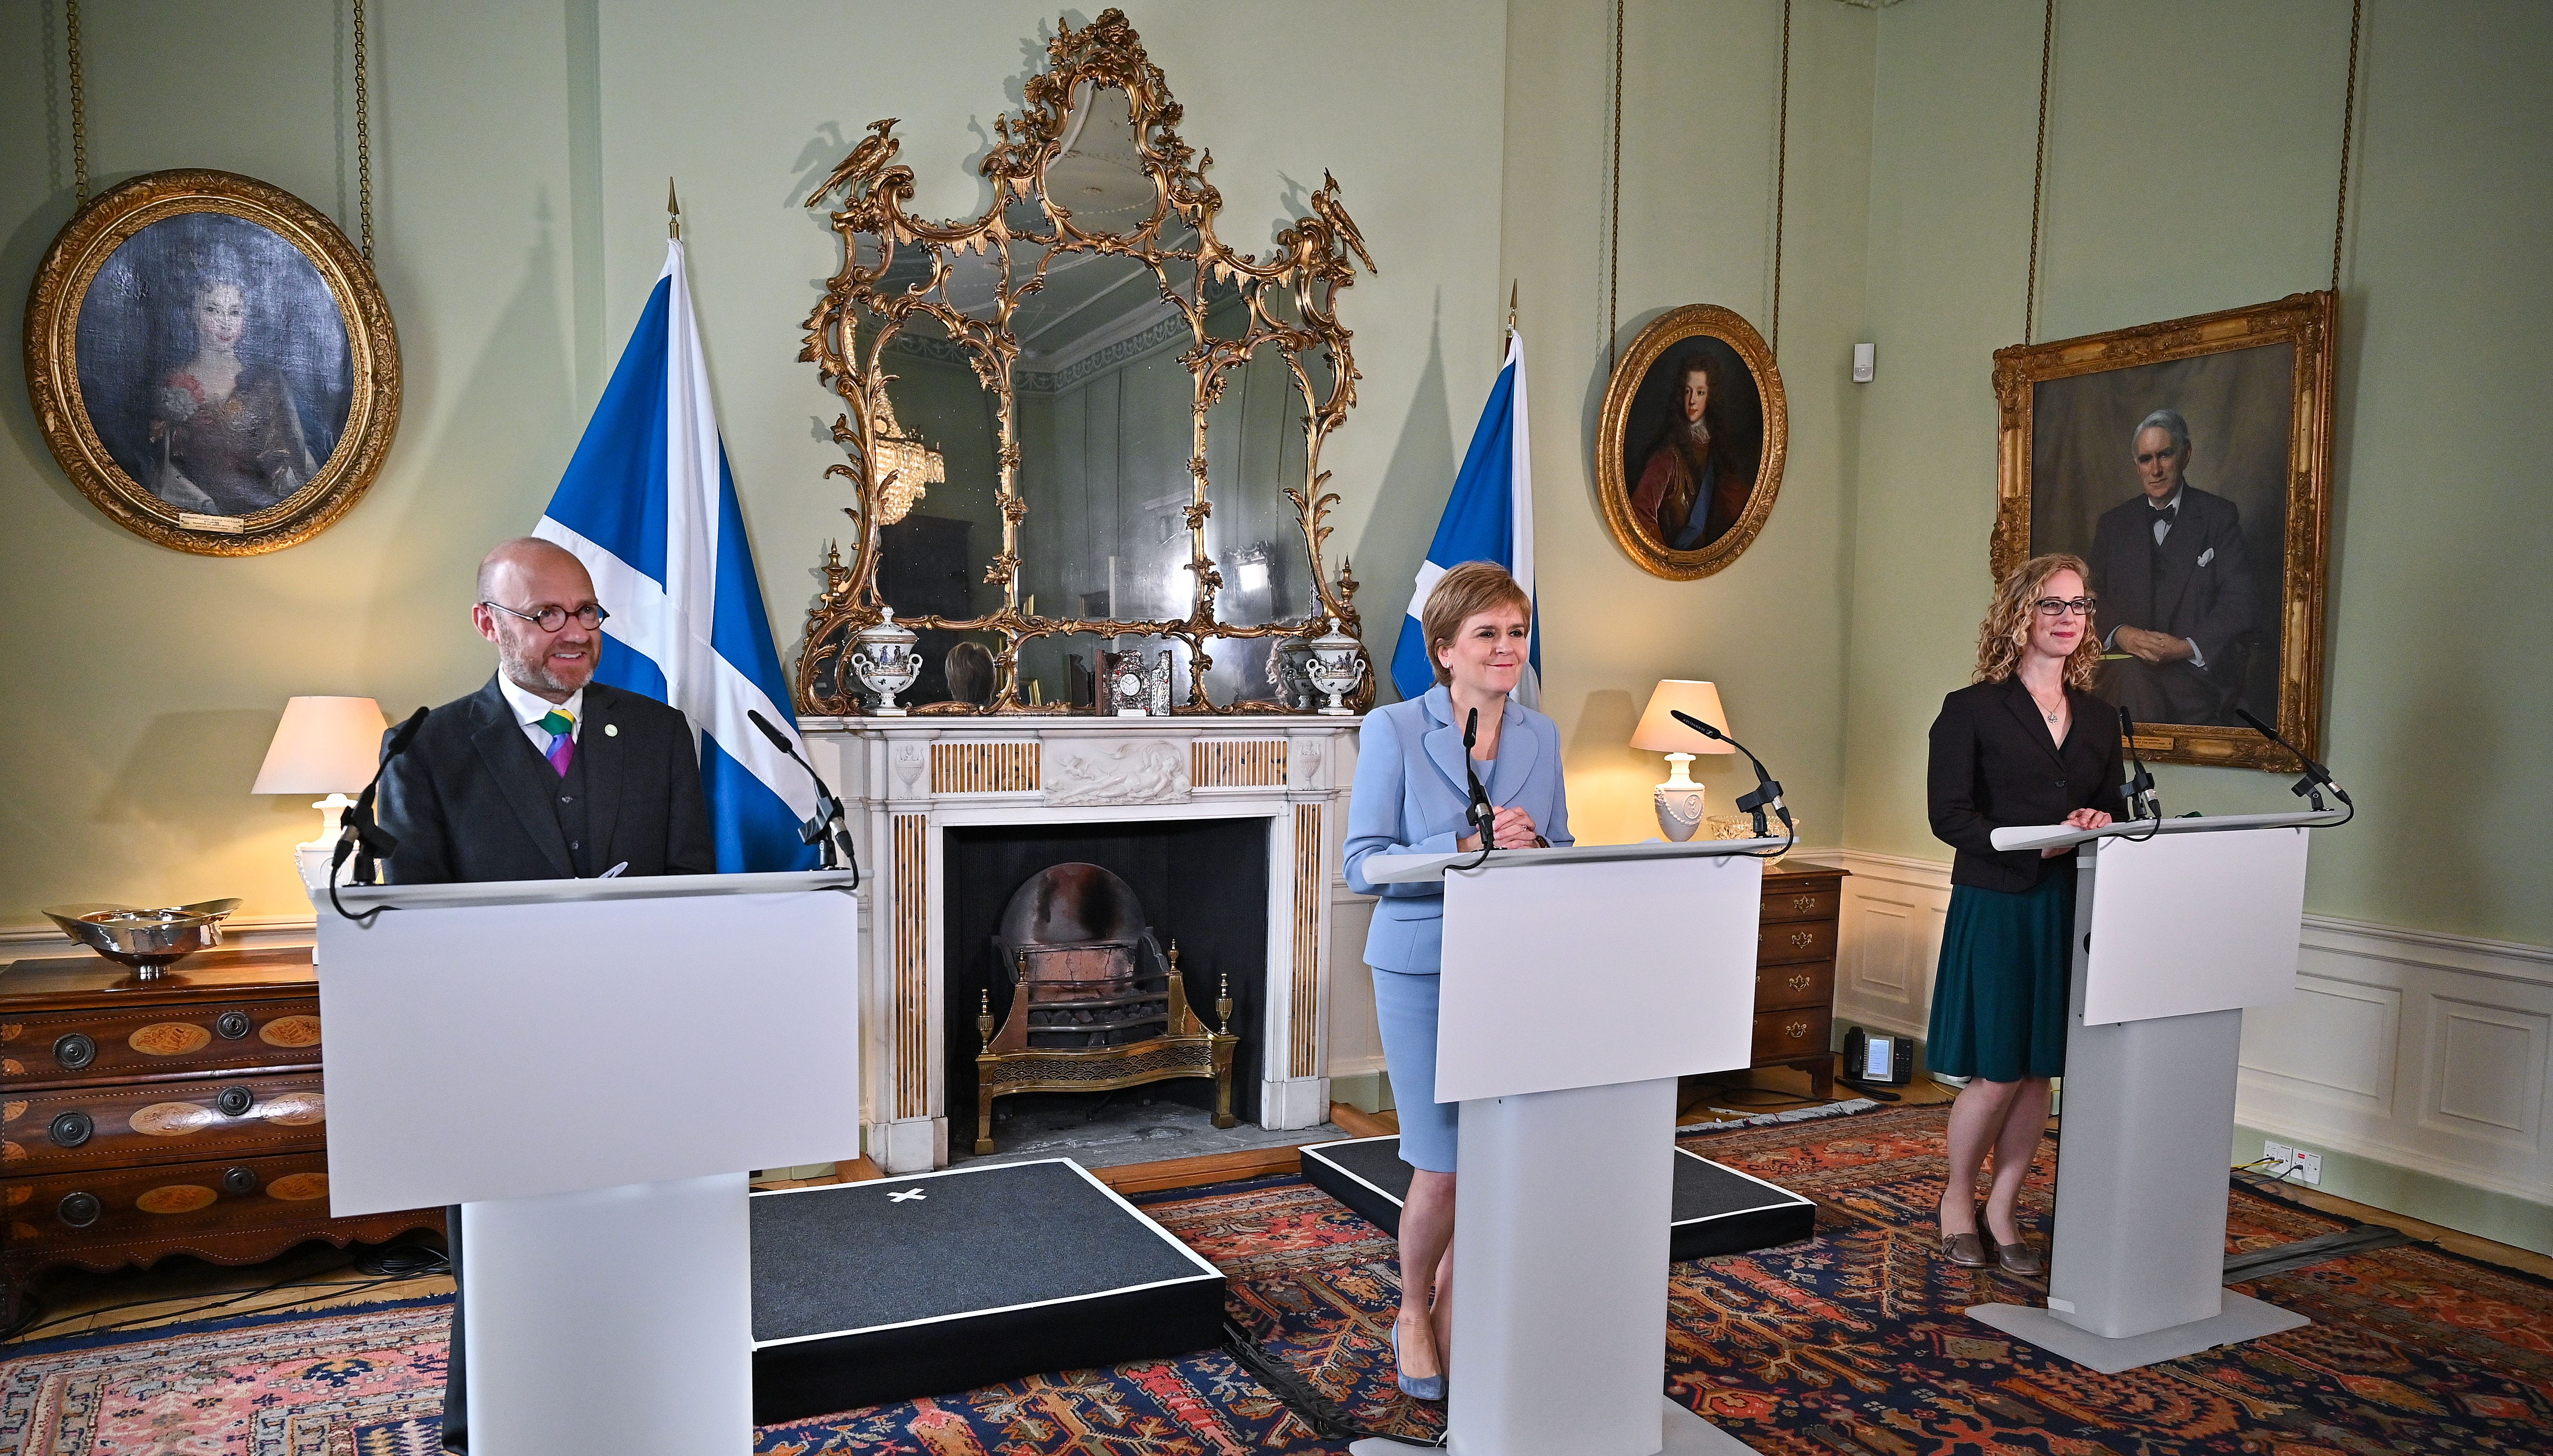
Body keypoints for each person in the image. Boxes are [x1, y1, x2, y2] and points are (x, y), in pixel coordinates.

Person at [376, 537, 715, 1453]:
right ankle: (482, 1421)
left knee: (642, 1244)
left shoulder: (655, 732)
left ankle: (648, 1400)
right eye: (547, 615)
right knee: (506, 1254)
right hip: (499, 1056)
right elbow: (413, 919)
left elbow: (691, 890)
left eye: (587, 612)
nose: (575, 633)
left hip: (632, 1043)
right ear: (489, 622)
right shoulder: (425, 746)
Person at [1343, 561, 1571, 1400]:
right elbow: (1363, 863)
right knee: (1441, 1163)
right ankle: (1412, 1305)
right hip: (1422, 965)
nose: (1507, 647)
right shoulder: (1394, 729)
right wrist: (1462, 849)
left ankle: (1460, 1306)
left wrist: (1536, 848)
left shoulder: (1541, 736)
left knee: (1498, 1157)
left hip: (1515, 965)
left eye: (1516, 632)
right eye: (1487, 633)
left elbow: (1565, 845)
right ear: (1444, 649)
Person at [1924, 553, 2121, 1276]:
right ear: (2020, 617)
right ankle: (1955, 1199)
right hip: (1999, 901)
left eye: (2080, 605)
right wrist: (2024, 849)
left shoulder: (2101, 716)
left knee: (2041, 1071)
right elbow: (1949, 817)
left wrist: (2098, 816)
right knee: (1997, 1072)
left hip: (2068, 905)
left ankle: (2002, 1209)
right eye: (2053, 605)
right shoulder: (1970, 709)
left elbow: (2116, 808)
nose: (2069, 618)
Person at [2083, 408, 2258, 726]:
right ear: (2136, 466)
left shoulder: (2218, 517)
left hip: (2194, 674)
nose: (2155, 470)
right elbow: (2088, 594)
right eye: (2145, 459)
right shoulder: (2113, 524)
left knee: (2157, 700)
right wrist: (2121, 633)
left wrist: (2187, 647)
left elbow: (2240, 601)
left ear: (2186, 454)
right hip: (2126, 668)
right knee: (2129, 679)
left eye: (2164, 455)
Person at [148, 273, 319, 516]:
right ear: (192, 313)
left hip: (262, 509)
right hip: (195, 510)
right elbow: (165, 467)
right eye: (213, 310)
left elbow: (288, 455)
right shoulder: (171, 383)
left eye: (235, 313)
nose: (225, 323)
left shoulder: (265, 382)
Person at [1628, 350, 1755, 551]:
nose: (1692, 401)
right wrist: (1667, 557)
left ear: (1710, 396)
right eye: (1688, 391)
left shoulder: (1717, 449)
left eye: (1700, 392)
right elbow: (1640, 512)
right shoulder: (1668, 456)